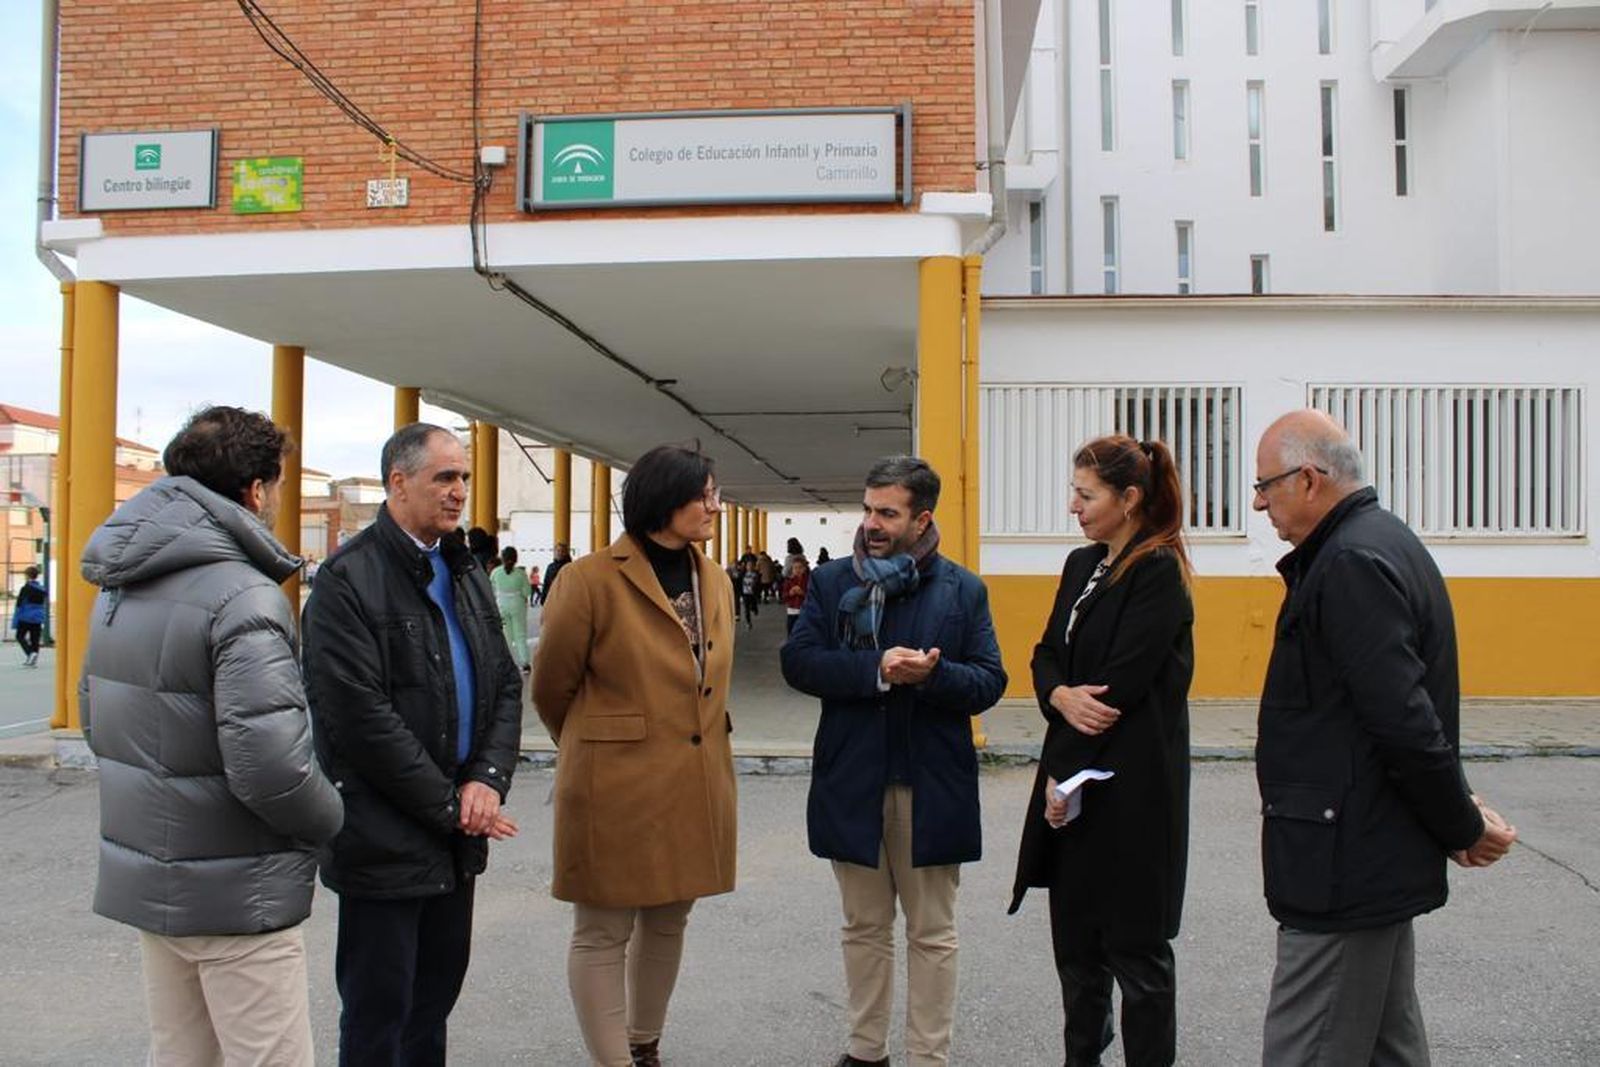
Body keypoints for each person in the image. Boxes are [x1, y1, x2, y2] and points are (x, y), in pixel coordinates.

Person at [79, 405, 344, 1065]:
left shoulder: (121, 585)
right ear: (255, 490)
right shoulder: (244, 596)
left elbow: (96, 719)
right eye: (277, 486)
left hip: (153, 874)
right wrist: (333, 814)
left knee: (180, 1053)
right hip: (239, 887)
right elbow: (273, 769)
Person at [1252, 410, 1518, 1065]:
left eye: (1266, 485)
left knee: (1306, 1050)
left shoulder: (1351, 561)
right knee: (1387, 1049)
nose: (1258, 502)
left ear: (1310, 479)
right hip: (1361, 851)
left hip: (1343, 863)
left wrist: (1458, 822)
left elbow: (1403, 721)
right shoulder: (1375, 542)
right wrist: (1452, 812)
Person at [302, 422, 524, 1066]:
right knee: (380, 1015)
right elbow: (358, 720)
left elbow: (505, 683)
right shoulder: (348, 580)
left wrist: (486, 779)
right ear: (397, 483)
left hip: (456, 833)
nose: (459, 493)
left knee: (432, 1004)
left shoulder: (460, 569)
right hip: (384, 835)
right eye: (444, 478)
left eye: (463, 479)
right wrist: (452, 803)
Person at [781, 455, 1007, 1067]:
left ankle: (928, 1057)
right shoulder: (831, 585)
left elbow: (989, 682)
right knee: (863, 928)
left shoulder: (963, 589)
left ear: (921, 517)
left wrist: (933, 677)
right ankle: (865, 1053)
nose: (872, 523)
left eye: (887, 512)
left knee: (932, 934)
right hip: (853, 780)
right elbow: (798, 664)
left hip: (930, 785)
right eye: (868, 509)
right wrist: (874, 670)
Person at [532, 444, 736, 1067]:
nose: (714, 506)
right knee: (602, 930)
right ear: (663, 499)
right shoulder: (590, 578)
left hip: (695, 779)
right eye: (703, 494)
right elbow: (551, 687)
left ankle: (643, 1042)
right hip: (613, 784)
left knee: (670, 919)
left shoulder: (715, 578)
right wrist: (604, 742)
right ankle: (612, 1059)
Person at [1009, 435, 1194, 1067]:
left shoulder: (1158, 571)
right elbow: (1045, 658)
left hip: (1133, 796)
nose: (1074, 507)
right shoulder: (1081, 564)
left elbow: (1114, 692)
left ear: (1130, 498)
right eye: (1075, 493)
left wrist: (1065, 771)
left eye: (1086, 495)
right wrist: (1057, 695)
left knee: (1138, 956)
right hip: (1076, 795)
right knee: (1078, 955)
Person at [490, 545, 532, 671]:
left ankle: (508, 661)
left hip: (501, 604)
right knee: (520, 634)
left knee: (506, 634)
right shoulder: (521, 574)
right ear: (515, 559)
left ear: (502, 558)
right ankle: (524, 662)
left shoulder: (495, 573)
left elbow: (492, 590)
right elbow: (527, 591)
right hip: (517, 604)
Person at [11, 565, 46, 666]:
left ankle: (30, 653)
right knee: (35, 638)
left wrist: (15, 620)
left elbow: (19, 604)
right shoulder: (42, 589)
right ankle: (33, 659)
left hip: (26, 615)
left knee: (20, 636)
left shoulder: (25, 588)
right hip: (38, 616)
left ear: (27, 575)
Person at [781, 556, 810, 635]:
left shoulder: (808, 581)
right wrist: (790, 593)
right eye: (795, 568)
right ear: (792, 569)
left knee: (804, 633)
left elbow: (812, 596)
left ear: (804, 568)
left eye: (800, 567)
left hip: (804, 611)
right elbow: (783, 597)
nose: (797, 570)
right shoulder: (788, 581)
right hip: (792, 611)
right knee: (791, 632)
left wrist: (803, 593)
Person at [739, 561, 760, 629]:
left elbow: (758, 584)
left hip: (753, 593)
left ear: (753, 567)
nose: (749, 567)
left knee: (753, 604)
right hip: (745, 593)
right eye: (748, 565)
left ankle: (755, 609)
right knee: (746, 609)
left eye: (751, 565)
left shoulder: (756, 574)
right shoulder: (743, 574)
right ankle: (748, 622)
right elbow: (739, 581)